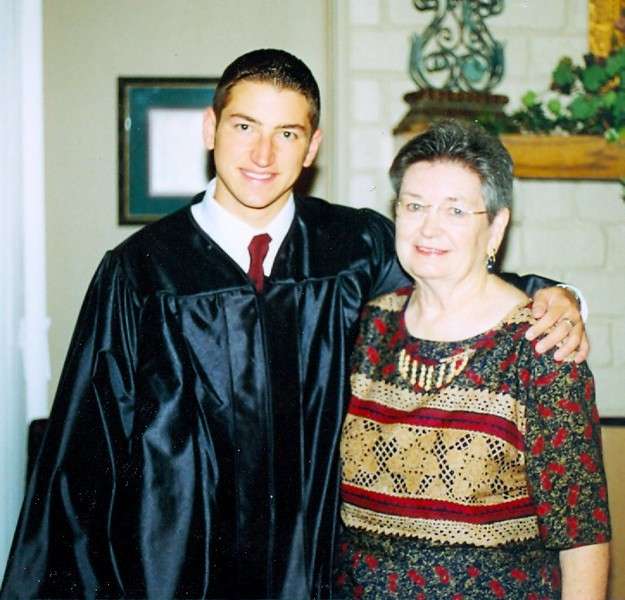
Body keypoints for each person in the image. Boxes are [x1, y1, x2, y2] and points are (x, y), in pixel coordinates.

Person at [1, 51, 586, 600]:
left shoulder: (350, 248)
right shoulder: (142, 272)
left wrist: (554, 295)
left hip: (313, 575)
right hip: (175, 574)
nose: (263, 155)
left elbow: (453, 276)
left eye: (287, 134)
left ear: (312, 148)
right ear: (210, 129)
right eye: (244, 127)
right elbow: (83, 463)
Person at [334, 120, 611, 599]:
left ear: (496, 227)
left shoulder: (540, 346)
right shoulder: (368, 327)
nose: (429, 227)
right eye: (414, 206)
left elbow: (581, 537)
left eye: (456, 210)